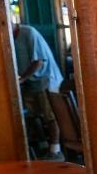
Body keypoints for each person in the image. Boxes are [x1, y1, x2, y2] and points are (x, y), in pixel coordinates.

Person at [13, 23, 65, 161]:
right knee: (32, 114)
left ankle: (56, 151)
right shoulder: (9, 38)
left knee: (50, 115)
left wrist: (22, 79)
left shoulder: (28, 32)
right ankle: (43, 147)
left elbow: (39, 62)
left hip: (47, 79)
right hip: (31, 82)